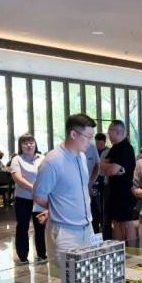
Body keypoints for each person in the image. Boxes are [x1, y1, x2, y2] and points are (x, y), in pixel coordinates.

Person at [33, 114, 96, 268]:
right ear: (73, 134)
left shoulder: (81, 156)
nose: (90, 142)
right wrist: (56, 208)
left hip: (87, 228)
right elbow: (39, 196)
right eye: (88, 137)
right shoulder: (52, 161)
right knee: (66, 279)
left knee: (88, 275)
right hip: (65, 232)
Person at [9, 133, 46, 264]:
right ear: (20, 146)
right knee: (22, 227)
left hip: (40, 199)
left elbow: (47, 175)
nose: (29, 145)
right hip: (23, 199)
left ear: (35, 144)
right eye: (25, 143)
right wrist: (34, 188)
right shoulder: (17, 159)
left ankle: (42, 254)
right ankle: (23, 256)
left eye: (31, 142)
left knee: (40, 227)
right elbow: (18, 178)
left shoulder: (42, 158)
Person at [100, 120, 137, 245]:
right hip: (113, 191)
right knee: (116, 222)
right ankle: (120, 249)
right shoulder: (114, 148)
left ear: (116, 131)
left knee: (127, 223)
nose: (108, 135)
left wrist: (110, 168)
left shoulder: (126, 148)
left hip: (125, 192)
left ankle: (132, 251)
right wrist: (110, 168)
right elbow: (102, 168)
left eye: (109, 132)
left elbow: (110, 170)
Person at [92, 133, 108, 234]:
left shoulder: (108, 152)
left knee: (103, 204)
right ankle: (95, 228)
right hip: (94, 181)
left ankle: (104, 225)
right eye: (97, 143)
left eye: (101, 144)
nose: (99, 146)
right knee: (94, 205)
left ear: (104, 143)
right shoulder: (93, 151)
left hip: (104, 182)